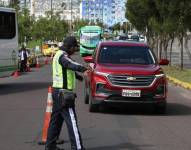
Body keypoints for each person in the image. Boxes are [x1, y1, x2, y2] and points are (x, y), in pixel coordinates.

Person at [45, 36, 90, 150]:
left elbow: (66, 70)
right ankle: (78, 147)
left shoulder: (59, 54)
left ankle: (50, 146)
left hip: (57, 91)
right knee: (72, 121)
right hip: (63, 93)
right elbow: (70, 64)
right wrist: (84, 69)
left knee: (55, 121)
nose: (75, 50)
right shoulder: (63, 56)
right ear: (69, 47)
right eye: (74, 47)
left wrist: (78, 77)